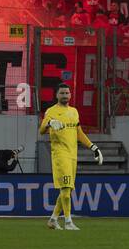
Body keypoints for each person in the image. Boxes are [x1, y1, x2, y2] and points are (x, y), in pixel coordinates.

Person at [41, 82, 104, 230]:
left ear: (70, 95)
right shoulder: (51, 111)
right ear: (56, 95)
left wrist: (93, 147)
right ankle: (68, 221)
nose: (65, 95)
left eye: (67, 93)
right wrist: (50, 122)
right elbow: (41, 129)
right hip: (60, 155)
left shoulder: (74, 111)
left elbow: (79, 133)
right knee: (66, 189)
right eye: (62, 93)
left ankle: (53, 220)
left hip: (72, 155)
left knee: (67, 190)